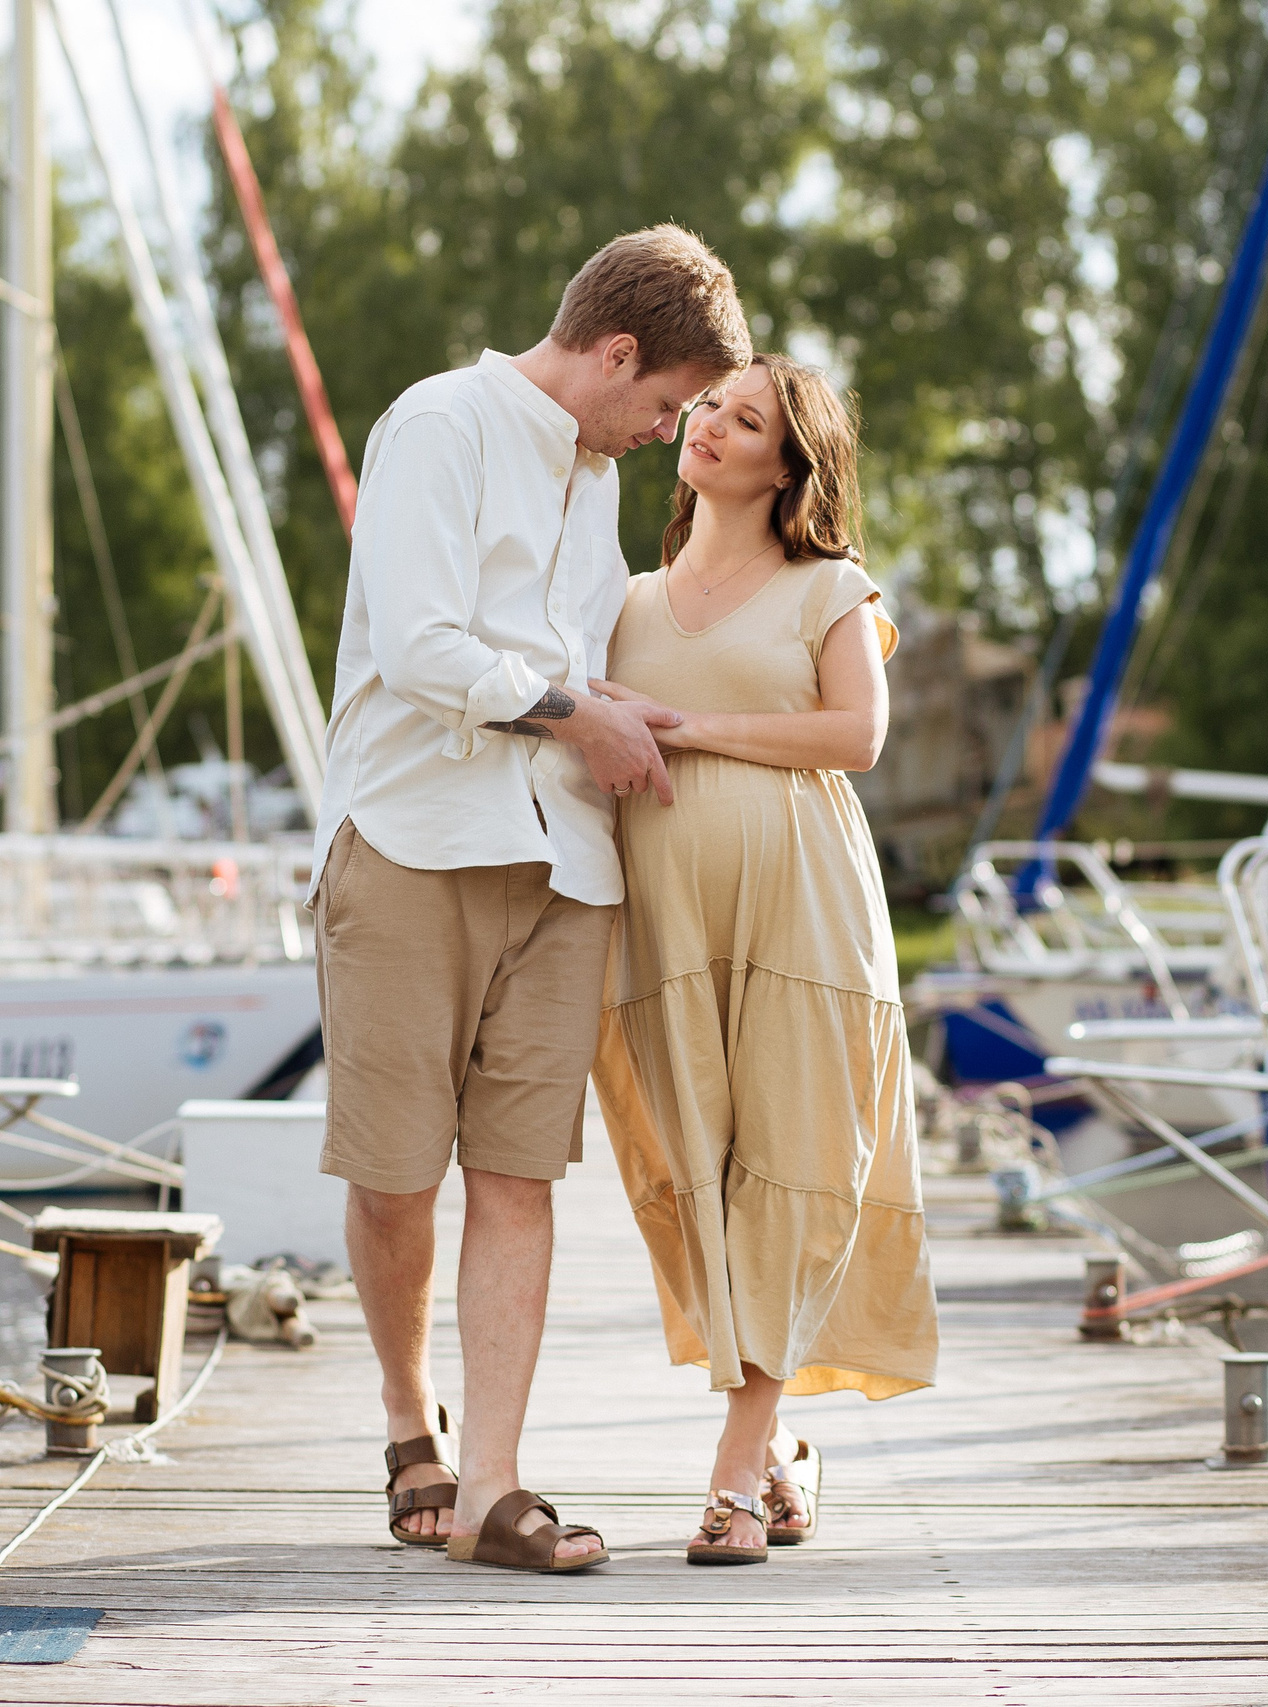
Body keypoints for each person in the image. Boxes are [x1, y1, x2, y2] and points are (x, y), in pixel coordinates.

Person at [311, 226, 751, 1574]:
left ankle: (494, 1484)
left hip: (568, 863)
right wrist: (576, 713)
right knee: (397, 1176)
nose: (664, 429)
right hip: (412, 842)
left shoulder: (595, 476)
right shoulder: (437, 425)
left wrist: (611, 704)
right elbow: (422, 641)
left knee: (518, 1173)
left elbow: (566, 650)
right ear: (617, 353)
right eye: (665, 401)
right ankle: (410, 1421)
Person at [588, 354, 941, 1566]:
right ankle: (783, 1447)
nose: (712, 428)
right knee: (698, 1175)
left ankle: (735, 1472)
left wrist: (700, 732)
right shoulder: (621, 600)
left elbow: (856, 734)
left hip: (803, 916)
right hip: (665, 928)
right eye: (710, 408)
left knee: (791, 1166)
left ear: (787, 468)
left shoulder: (826, 588)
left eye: (748, 422)